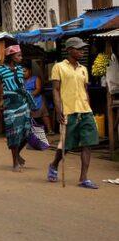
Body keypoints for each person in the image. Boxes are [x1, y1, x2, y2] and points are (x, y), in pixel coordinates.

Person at [48, 37, 99, 189]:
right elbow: (56, 90)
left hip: (85, 110)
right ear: (69, 50)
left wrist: (89, 107)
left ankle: (83, 178)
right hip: (69, 110)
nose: (82, 51)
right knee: (67, 145)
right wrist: (58, 111)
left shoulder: (83, 69)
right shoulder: (59, 67)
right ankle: (54, 164)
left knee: (88, 143)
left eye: (83, 48)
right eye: (79, 48)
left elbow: (85, 90)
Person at [0, 45, 33, 172]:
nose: (21, 58)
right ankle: (15, 163)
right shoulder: (0, 70)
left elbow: (23, 86)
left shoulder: (20, 69)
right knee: (14, 134)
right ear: (11, 56)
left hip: (23, 103)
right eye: (18, 55)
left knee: (27, 133)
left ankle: (17, 154)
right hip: (10, 104)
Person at [23, 64, 53, 134]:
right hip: (25, 101)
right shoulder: (21, 81)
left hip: (37, 99)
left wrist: (29, 96)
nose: (23, 73)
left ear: (30, 71)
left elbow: (38, 89)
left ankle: (50, 130)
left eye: (25, 71)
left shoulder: (36, 78)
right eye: (22, 72)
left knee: (44, 114)